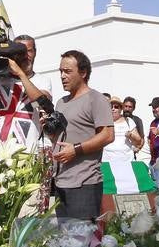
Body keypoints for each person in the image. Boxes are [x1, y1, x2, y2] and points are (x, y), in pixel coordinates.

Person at [48, 50, 114, 221]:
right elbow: (59, 138)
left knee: (83, 243)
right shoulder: (61, 102)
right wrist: (48, 129)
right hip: (60, 182)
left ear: (83, 73)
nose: (62, 76)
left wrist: (76, 150)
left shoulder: (96, 99)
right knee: (65, 243)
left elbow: (107, 135)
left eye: (68, 71)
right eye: (60, 71)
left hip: (84, 183)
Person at [0, 34, 52, 149]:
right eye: (20, 52)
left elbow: (42, 105)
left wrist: (20, 73)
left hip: (25, 153)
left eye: (29, 51)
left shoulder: (42, 81)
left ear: (35, 53)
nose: (25, 56)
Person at [103, 98, 142, 163]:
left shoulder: (128, 121)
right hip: (107, 161)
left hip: (126, 161)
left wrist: (131, 136)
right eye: (111, 107)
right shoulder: (103, 122)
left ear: (121, 109)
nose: (113, 109)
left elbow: (139, 141)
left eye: (116, 107)